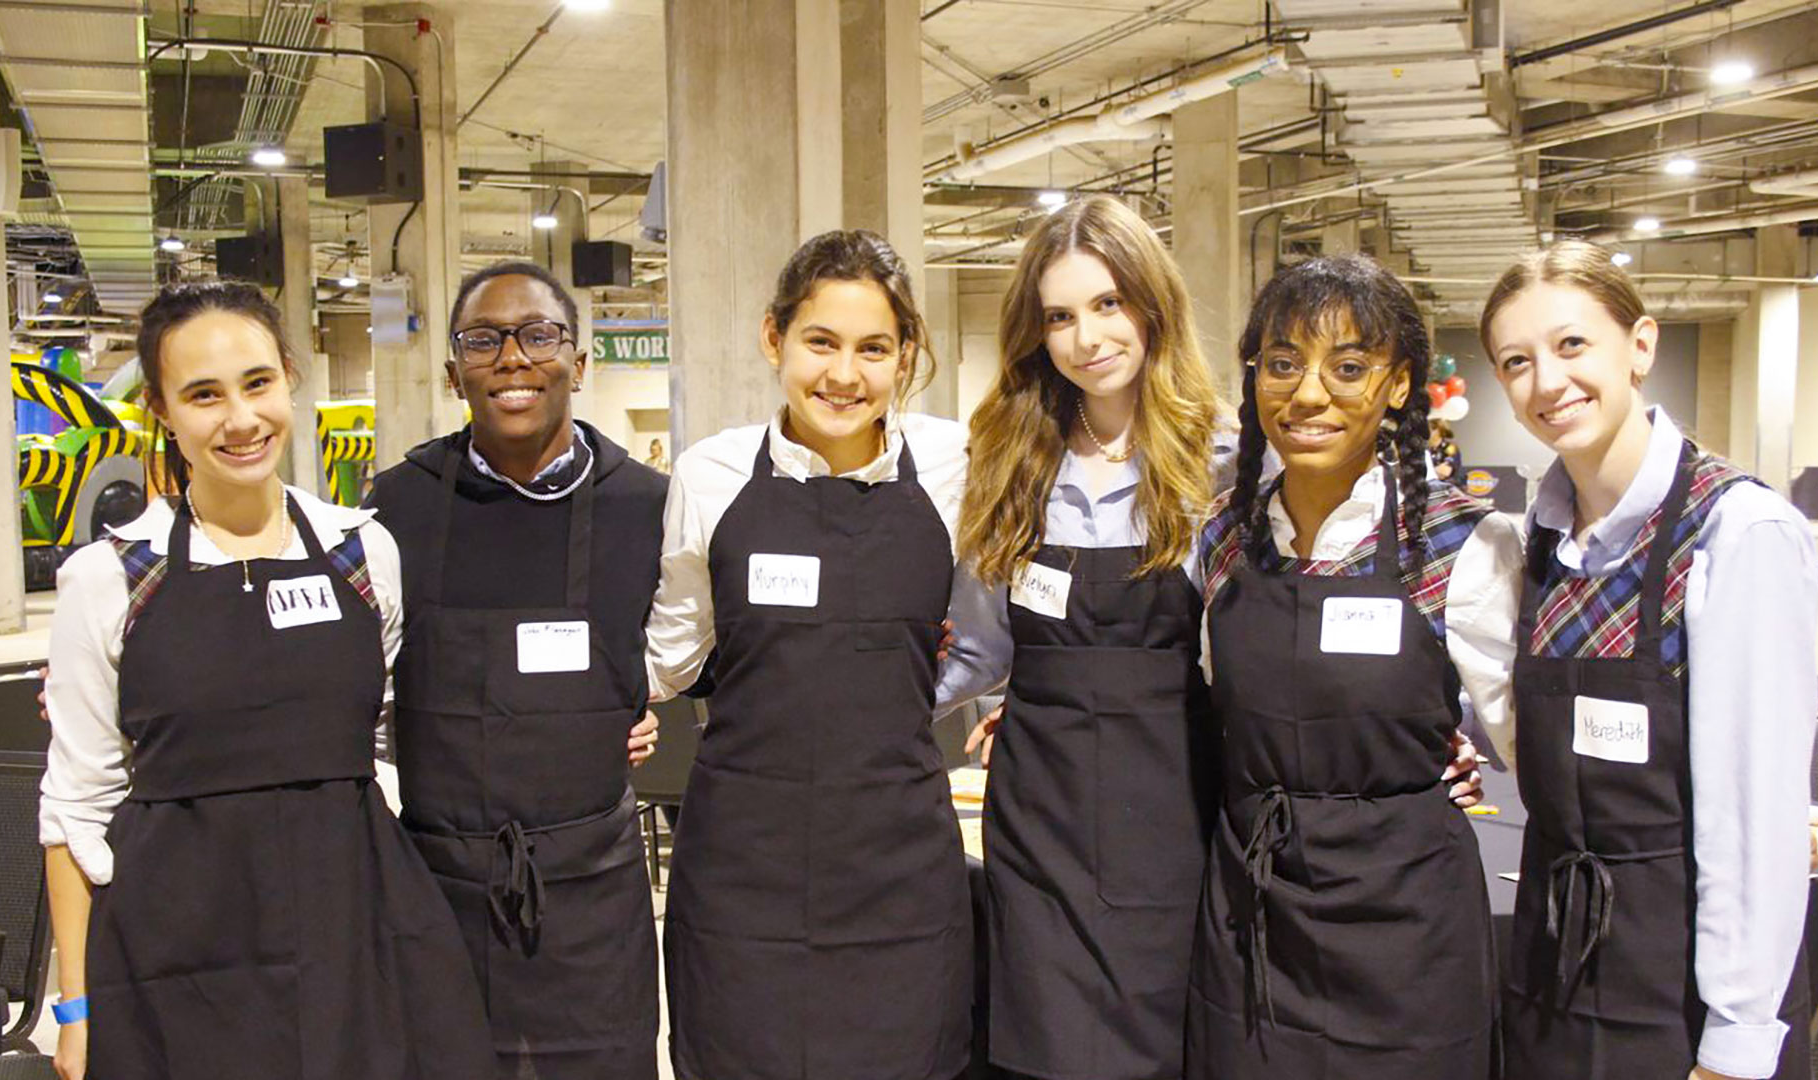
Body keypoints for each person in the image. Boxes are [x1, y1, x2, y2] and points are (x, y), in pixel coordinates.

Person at [38, 282, 493, 1080]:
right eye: (203, 395)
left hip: (357, 927)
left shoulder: (363, 554)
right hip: (178, 952)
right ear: (163, 411)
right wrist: (75, 1010)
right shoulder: (110, 577)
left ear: (289, 377)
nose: (240, 420)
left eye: (257, 383)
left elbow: (384, 733)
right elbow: (75, 805)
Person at [1482, 241, 1817, 1080]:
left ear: (1640, 345)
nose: (1546, 383)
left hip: (1681, 986)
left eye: (1571, 346)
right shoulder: (1543, 544)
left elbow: (1757, 815)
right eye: (1516, 362)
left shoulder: (1734, 533)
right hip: (1550, 960)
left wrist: (1737, 1041)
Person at [644, 230, 972, 1080]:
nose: (843, 375)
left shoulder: (954, 468)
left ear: (905, 356)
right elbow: (672, 656)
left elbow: (992, 627)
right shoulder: (712, 475)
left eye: (873, 349)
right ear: (773, 339)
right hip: (744, 861)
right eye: (819, 342)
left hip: (897, 861)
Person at [1188, 255, 1519, 1080]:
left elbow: (1527, 738)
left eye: (1348, 368)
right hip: (1254, 918)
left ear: (1400, 386)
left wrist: (1454, 748)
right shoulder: (1223, 542)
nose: (1307, 395)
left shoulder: (1462, 544)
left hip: (1407, 930)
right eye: (1283, 363)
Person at [938, 194, 1227, 1080]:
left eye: (1107, 304)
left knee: (1166, 1038)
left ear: (1152, 306)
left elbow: (1263, 651)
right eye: (1059, 316)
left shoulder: (1223, 463)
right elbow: (983, 652)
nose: (1086, 336)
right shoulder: (1009, 462)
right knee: (1046, 1042)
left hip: (1175, 804)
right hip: (1041, 815)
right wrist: (859, 711)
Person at [367, 261, 668, 1080]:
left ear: (579, 359)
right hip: (438, 888)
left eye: (539, 335)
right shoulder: (397, 507)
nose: (512, 358)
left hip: (591, 890)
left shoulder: (646, 507)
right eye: (483, 339)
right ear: (452, 368)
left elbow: (710, 648)